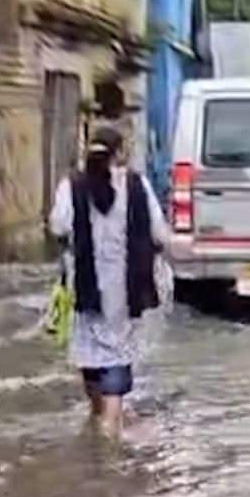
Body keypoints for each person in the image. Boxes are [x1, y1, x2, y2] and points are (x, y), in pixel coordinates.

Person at [48, 124, 170, 437]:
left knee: (91, 354)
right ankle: (109, 434)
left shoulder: (72, 184)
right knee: (117, 356)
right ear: (120, 152)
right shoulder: (136, 184)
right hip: (126, 289)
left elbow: (58, 227)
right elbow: (159, 233)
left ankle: (99, 422)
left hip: (85, 286)